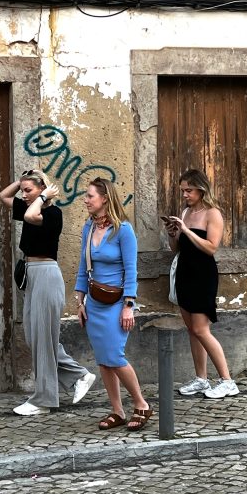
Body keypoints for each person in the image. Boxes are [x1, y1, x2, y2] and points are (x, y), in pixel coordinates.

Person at [0, 169, 96, 416]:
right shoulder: (30, 205)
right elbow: (3, 196)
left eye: (29, 190)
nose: (24, 194)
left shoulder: (52, 213)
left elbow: (32, 215)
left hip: (46, 274)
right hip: (33, 274)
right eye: (24, 191)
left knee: (43, 338)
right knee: (35, 337)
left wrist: (42, 197)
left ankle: (43, 400)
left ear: (44, 190)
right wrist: (21, 180)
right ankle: (79, 375)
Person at [75, 177, 152, 431]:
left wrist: (129, 305)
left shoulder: (123, 230)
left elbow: (131, 270)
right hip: (95, 303)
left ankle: (141, 404)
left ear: (105, 198)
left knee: (115, 356)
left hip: (117, 302)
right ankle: (117, 410)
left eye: (90, 196)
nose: (85, 200)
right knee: (103, 360)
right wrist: (80, 300)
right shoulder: (88, 228)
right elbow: (82, 267)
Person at [164, 169, 239, 399]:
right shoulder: (185, 212)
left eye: (189, 190)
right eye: (183, 191)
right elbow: (177, 249)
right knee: (191, 330)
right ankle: (201, 379)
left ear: (201, 189)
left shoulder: (212, 213)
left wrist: (186, 229)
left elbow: (211, 247)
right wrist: (173, 234)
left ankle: (228, 381)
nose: (185, 195)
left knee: (201, 329)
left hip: (202, 275)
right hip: (185, 272)